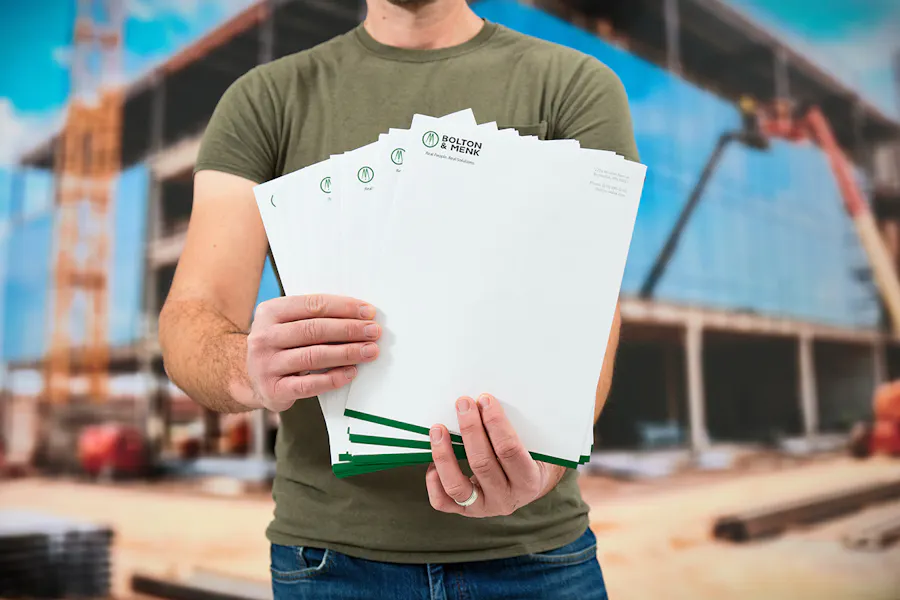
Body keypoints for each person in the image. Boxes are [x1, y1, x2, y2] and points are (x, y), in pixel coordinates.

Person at [158, 0, 636, 597]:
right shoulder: (265, 100)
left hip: (537, 556)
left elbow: (592, 308)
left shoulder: (573, 86)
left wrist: (549, 464)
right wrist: (246, 368)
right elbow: (192, 313)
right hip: (330, 562)